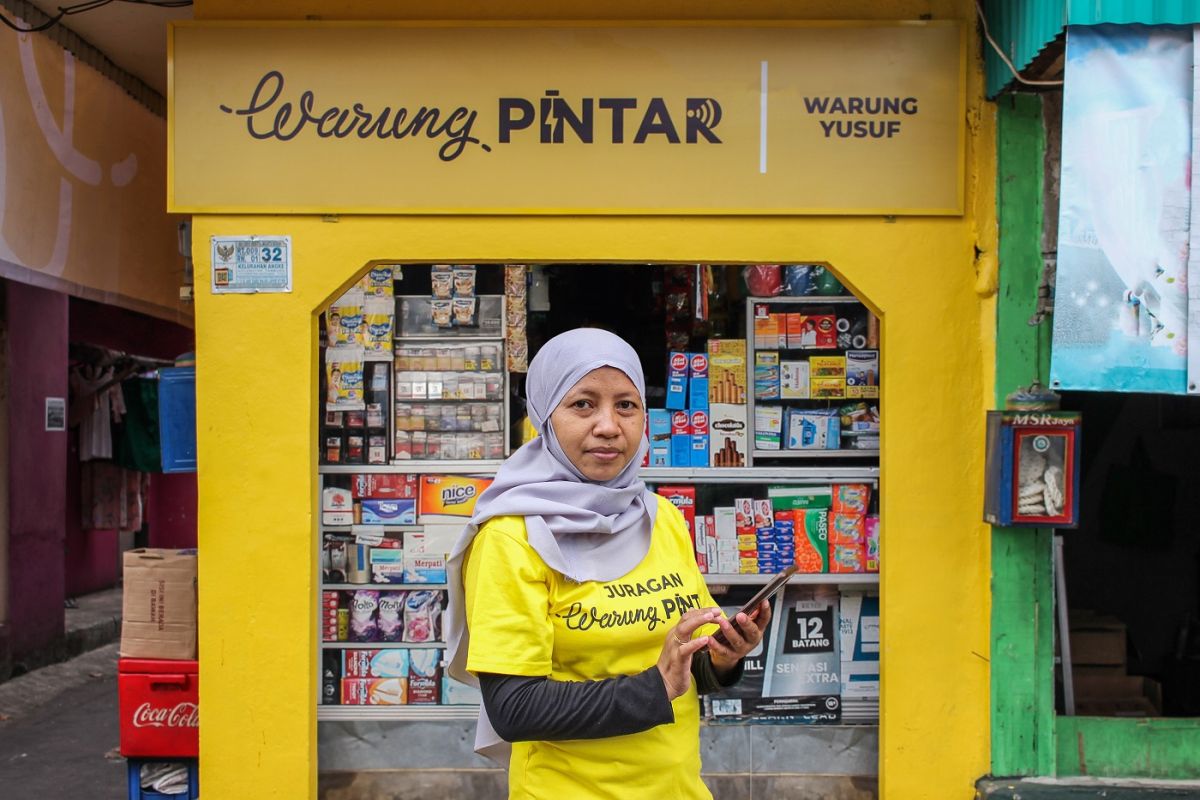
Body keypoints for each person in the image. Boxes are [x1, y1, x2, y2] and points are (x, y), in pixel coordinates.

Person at [446, 328, 769, 799]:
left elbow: (685, 665)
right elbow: (515, 708)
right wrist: (654, 686)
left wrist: (723, 659)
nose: (608, 426)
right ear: (544, 418)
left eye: (626, 405)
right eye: (582, 404)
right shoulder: (511, 538)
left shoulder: (662, 519)